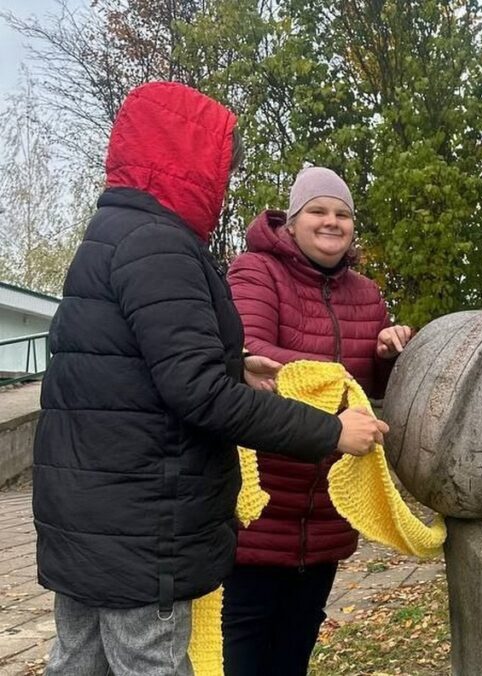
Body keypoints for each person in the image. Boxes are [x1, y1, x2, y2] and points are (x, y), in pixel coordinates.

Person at [32, 82, 388, 676]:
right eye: (222, 162)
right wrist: (329, 431)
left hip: (91, 517)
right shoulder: (159, 245)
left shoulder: (112, 234)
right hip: (144, 524)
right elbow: (197, 394)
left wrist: (230, 363)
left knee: (79, 662)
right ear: (190, 162)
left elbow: (132, 368)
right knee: (152, 663)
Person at [222, 166, 412, 675]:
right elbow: (251, 356)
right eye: (319, 211)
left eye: (343, 214)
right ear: (293, 220)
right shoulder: (255, 272)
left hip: (327, 507)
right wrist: (338, 395)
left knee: (295, 647)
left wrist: (388, 353)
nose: (332, 222)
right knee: (243, 645)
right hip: (261, 507)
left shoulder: (367, 294)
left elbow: (371, 391)